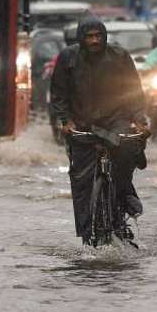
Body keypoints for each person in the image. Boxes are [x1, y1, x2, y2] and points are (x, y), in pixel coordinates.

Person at [49, 15, 149, 244]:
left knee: (127, 151)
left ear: (105, 37)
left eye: (98, 36)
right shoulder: (68, 58)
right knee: (82, 179)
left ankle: (124, 196)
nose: (94, 41)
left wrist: (138, 118)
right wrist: (65, 120)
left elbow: (133, 90)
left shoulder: (120, 56)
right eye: (89, 37)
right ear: (81, 39)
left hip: (116, 119)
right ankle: (87, 233)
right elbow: (59, 93)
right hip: (82, 122)